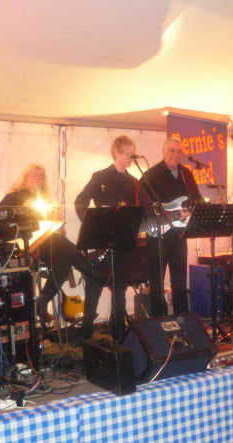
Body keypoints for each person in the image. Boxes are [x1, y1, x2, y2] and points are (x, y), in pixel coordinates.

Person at [0, 163, 93, 338]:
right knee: (67, 250)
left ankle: (42, 301)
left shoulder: (44, 199)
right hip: (25, 244)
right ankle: (91, 270)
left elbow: (50, 223)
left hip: (45, 242)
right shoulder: (13, 197)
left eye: (41, 176)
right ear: (25, 177)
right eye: (34, 175)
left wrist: (53, 217)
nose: (38, 179)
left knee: (64, 259)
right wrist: (24, 210)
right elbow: (1, 221)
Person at [74, 135, 149, 341]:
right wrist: (91, 224)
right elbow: (80, 201)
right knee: (94, 286)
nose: (131, 158)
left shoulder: (134, 182)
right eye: (127, 154)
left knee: (119, 289)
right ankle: (86, 333)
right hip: (101, 240)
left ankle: (119, 334)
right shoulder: (100, 177)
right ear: (116, 153)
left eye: (132, 154)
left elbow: (146, 208)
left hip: (123, 242)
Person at [139, 137, 202, 316]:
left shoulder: (186, 173)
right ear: (164, 151)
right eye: (172, 150)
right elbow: (144, 206)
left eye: (178, 151)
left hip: (180, 232)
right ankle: (159, 320)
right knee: (157, 281)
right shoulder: (150, 175)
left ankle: (182, 318)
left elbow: (195, 197)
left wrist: (198, 206)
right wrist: (169, 214)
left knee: (180, 280)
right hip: (158, 234)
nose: (175, 154)